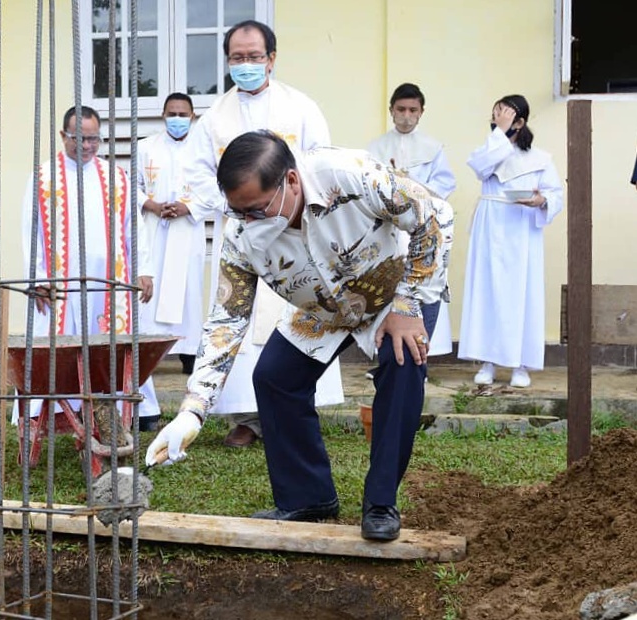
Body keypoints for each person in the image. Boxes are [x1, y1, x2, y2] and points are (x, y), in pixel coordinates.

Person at [146, 131, 454, 541]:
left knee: (402, 366)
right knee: (274, 376)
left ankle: (380, 502)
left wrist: (408, 304)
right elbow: (227, 320)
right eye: (238, 213)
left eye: (256, 210)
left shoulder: (348, 174)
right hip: (323, 310)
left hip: (395, 289)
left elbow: (435, 214)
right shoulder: (241, 235)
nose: (248, 222)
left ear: (290, 181)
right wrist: (192, 410)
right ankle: (308, 498)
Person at [182, 19, 344, 448]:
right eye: (238, 58)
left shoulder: (302, 107)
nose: (247, 64)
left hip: (295, 230)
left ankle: (296, 403)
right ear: (228, 62)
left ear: (271, 58)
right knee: (238, 316)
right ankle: (247, 417)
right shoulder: (214, 117)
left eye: (255, 56)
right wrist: (236, 208)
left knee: (297, 311)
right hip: (242, 233)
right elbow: (197, 175)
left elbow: (321, 160)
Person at [19, 105, 160, 448]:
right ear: (63, 136)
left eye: (94, 139)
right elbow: (31, 229)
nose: (87, 145)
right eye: (79, 138)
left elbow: (133, 227)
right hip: (60, 282)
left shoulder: (116, 177)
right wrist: (37, 278)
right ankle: (52, 412)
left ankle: (124, 413)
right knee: (59, 345)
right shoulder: (43, 177)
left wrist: (143, 270)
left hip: (108, 280)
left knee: (111, 343)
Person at [458, 94, 563, 388]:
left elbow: (555, 194)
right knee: (488, 291)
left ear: (520, 121)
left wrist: (541, 200)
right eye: (495, 115)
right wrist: (500, 133)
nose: (497, 118)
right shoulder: (490, 150)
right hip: (491, 227)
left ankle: (520, 364)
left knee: (521, 293)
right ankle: (487, 361)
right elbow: (480, 167)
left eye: (504, 114)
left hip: (521, 229)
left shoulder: (539, 158)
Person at [366, 82, 456, 374]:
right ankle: (386, 360)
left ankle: (420, 362)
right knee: (387, 295)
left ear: (421, 113)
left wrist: (413, 187)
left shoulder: (433, 149)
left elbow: (445, 186)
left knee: (421, 295)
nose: (406, 115)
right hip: (389, 233)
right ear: (391, 110)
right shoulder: (376, 148)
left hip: (423, 230)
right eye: (401, 109)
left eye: (412, 110)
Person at [136, 93, 205, 385]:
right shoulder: (146, 148)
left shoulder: (205, 150)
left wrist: (189, 207)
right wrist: (151, 205)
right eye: (172, 113)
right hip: (154, 227)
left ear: (193, 116)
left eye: (183, 114)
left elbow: (216, 189)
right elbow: (130, 186)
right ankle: (149, 351)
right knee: (151, 289)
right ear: (163, 115)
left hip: (187, 229)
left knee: (188, 288)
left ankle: (189, 351)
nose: (177, 119)